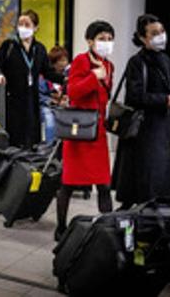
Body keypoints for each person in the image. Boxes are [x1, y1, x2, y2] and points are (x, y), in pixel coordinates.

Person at [112, 14, 170, 210]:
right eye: (154, 33)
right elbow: (135, 95)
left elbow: (166, 87)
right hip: (143, 129)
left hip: (161, 126)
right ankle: (137, 215)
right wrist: (164, 100)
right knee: (144, 175)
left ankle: (149, 213)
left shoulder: (164, 58)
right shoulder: (137, 62)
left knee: (156, 174)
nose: (161, 36)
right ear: (142, 38)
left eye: (162, 31)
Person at [55, 20, 115, 241]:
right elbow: (73, 91)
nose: (106, 43)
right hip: (78, 132)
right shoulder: (81, 61)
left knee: (104, 185)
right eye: (101, 39)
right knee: (68, 184)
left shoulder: (109, 65)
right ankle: (60, 227)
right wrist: (93, 77)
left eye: (109, 39)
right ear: (90, 41)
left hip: (97, 133)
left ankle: (108, 229)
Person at [0, 9, 64, 148]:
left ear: (35, 28)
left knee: (30, 137)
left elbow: (48, 72)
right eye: (20, 24)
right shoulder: (9, 46)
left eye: (27, 24)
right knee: (12, 137)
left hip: (30, 101)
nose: (23, 28)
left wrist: (65, 79)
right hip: (10, 100)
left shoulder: (39, 49)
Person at [39, 46, 69, 143]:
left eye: (64, 60)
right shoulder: (44, 76)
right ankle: (50, 147)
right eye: (59, 61)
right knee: (49, 118)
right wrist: (53, 101)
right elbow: (40, 95)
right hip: (48, 105)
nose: (62, 64)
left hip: (65, 104)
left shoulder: (69, 75)